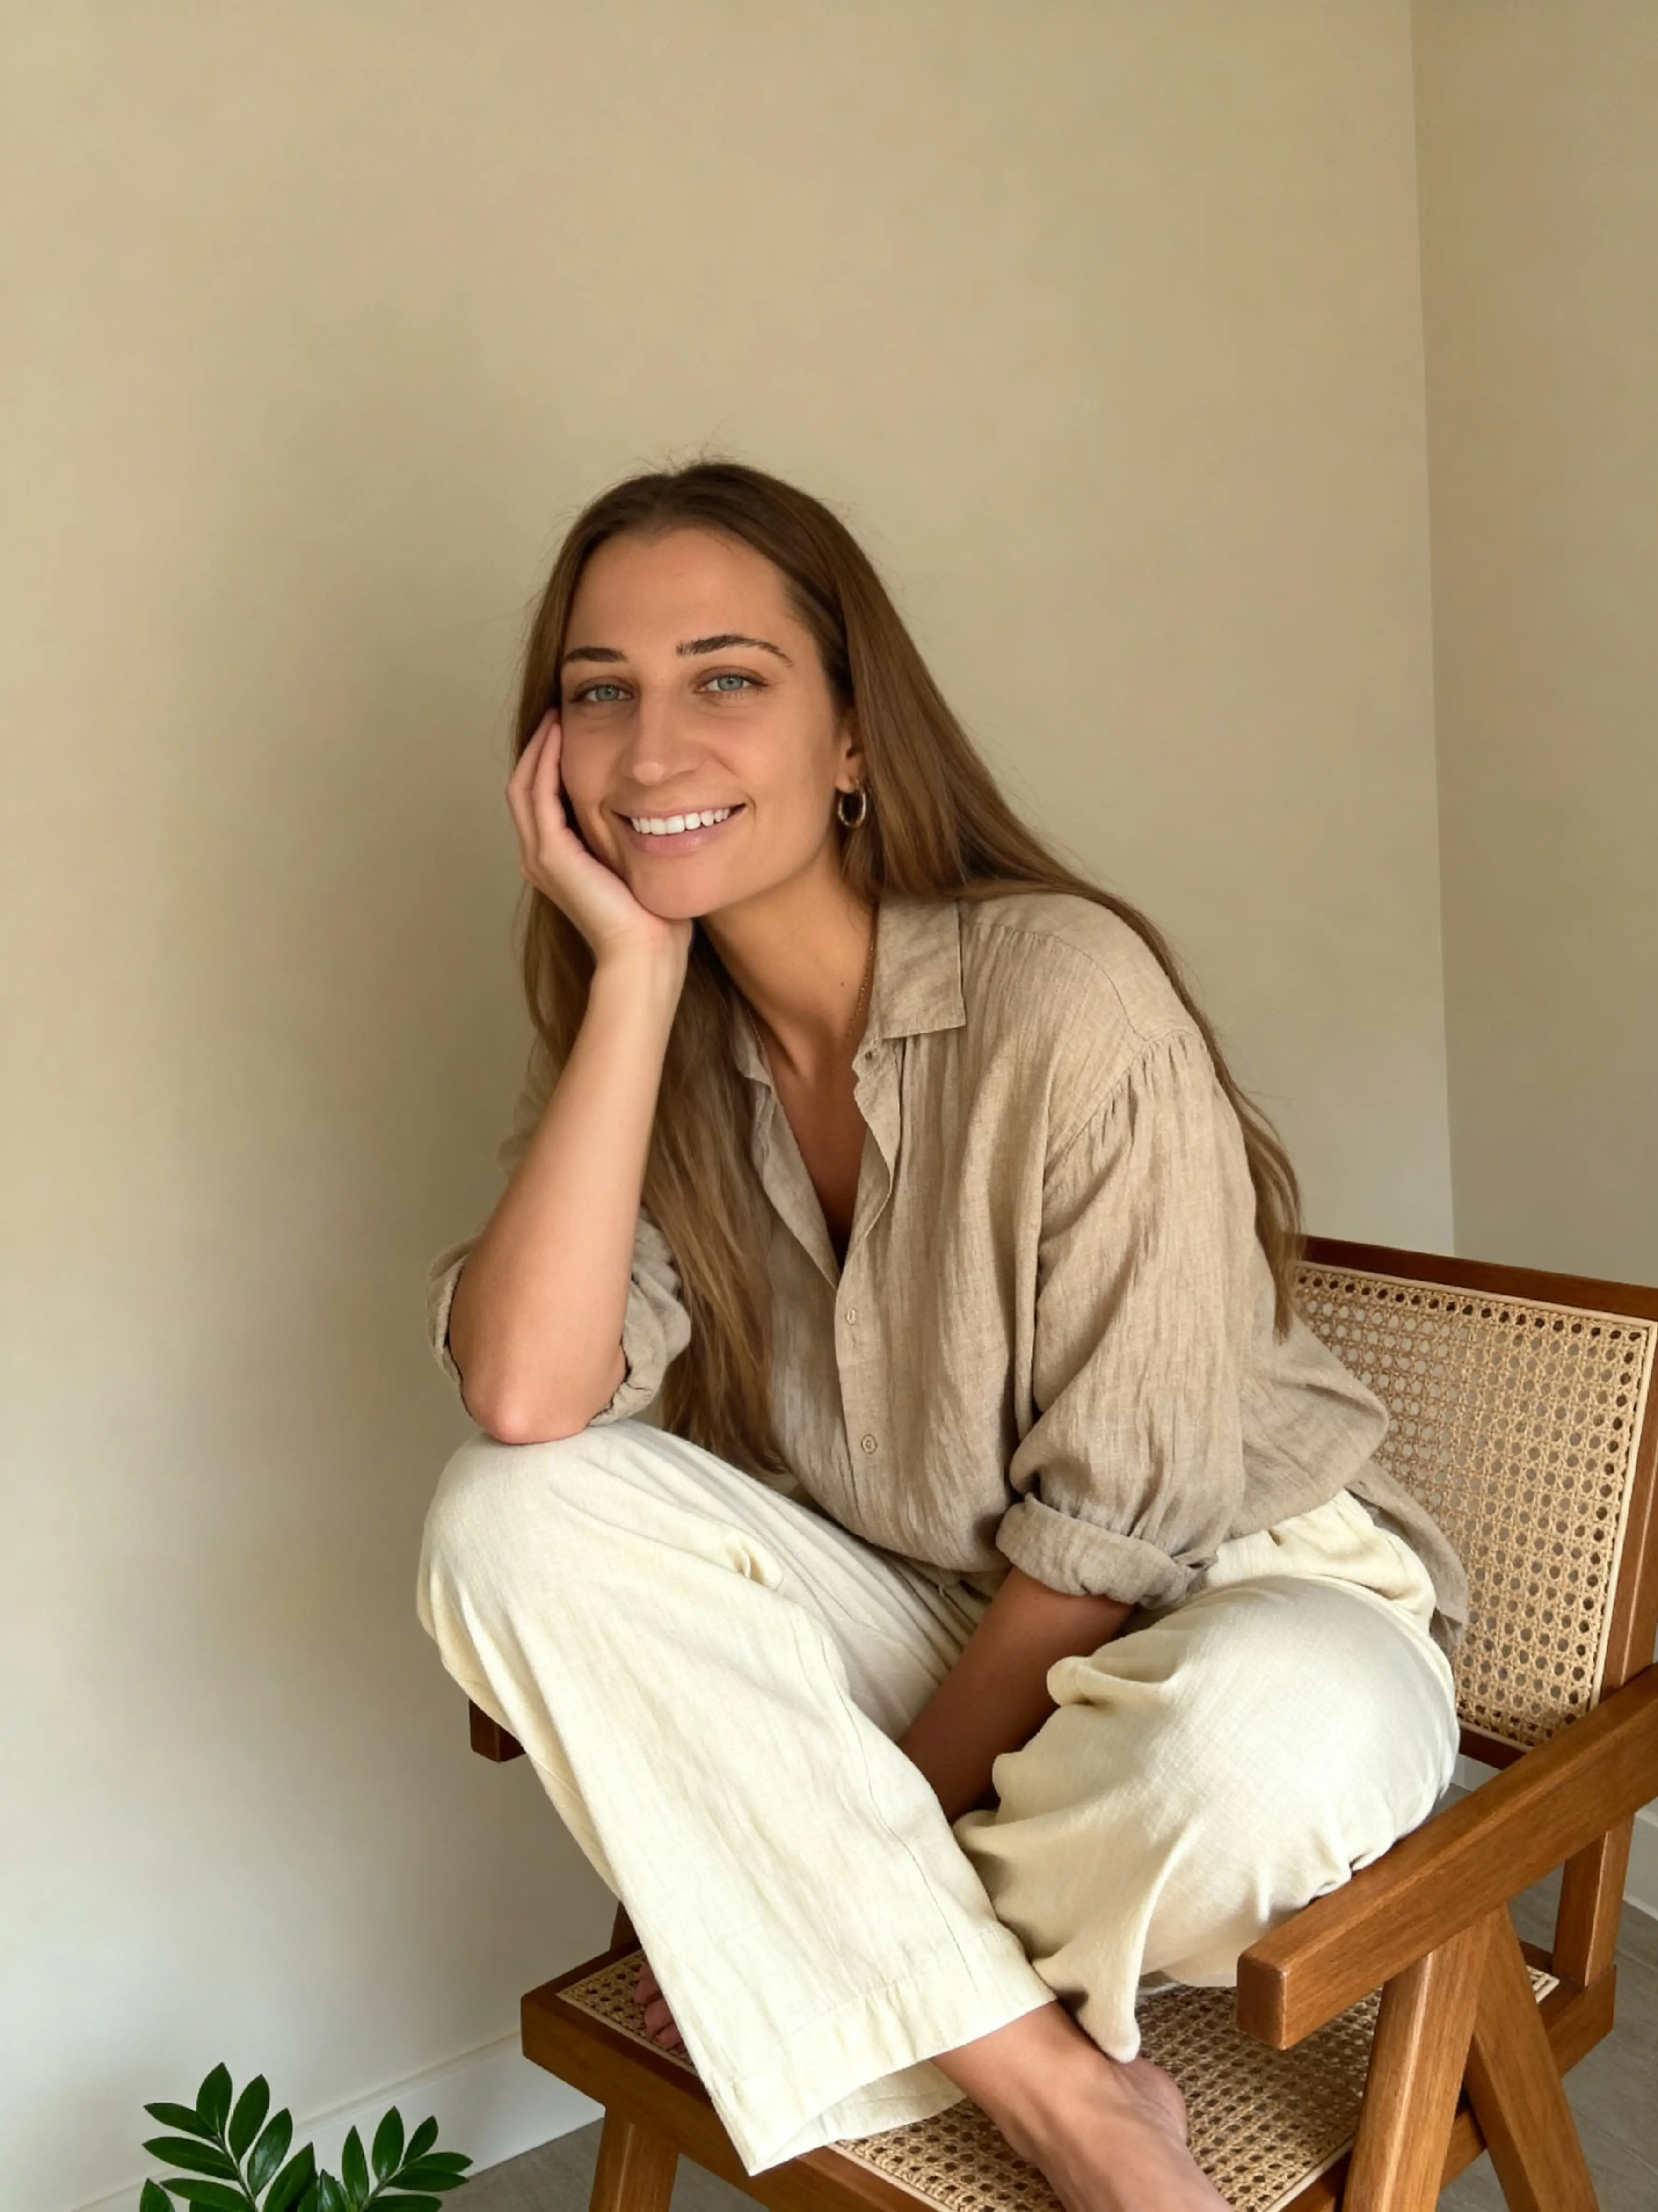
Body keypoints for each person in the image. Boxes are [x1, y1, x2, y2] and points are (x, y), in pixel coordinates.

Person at [416, 460, 1467, 2212]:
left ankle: (838, 1941)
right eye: (600, 692)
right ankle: (1064, 2098)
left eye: (726, 676)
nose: (653, 750)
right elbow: (527, 1394)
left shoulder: (1064, 990)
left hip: (1215, 1608)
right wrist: (634, 982)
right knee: (501, 1513)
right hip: (920, 1622)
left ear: (852, 739)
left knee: (1256, 1756)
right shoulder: (647, 1054)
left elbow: (1114, 1538)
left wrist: (839, 1838)